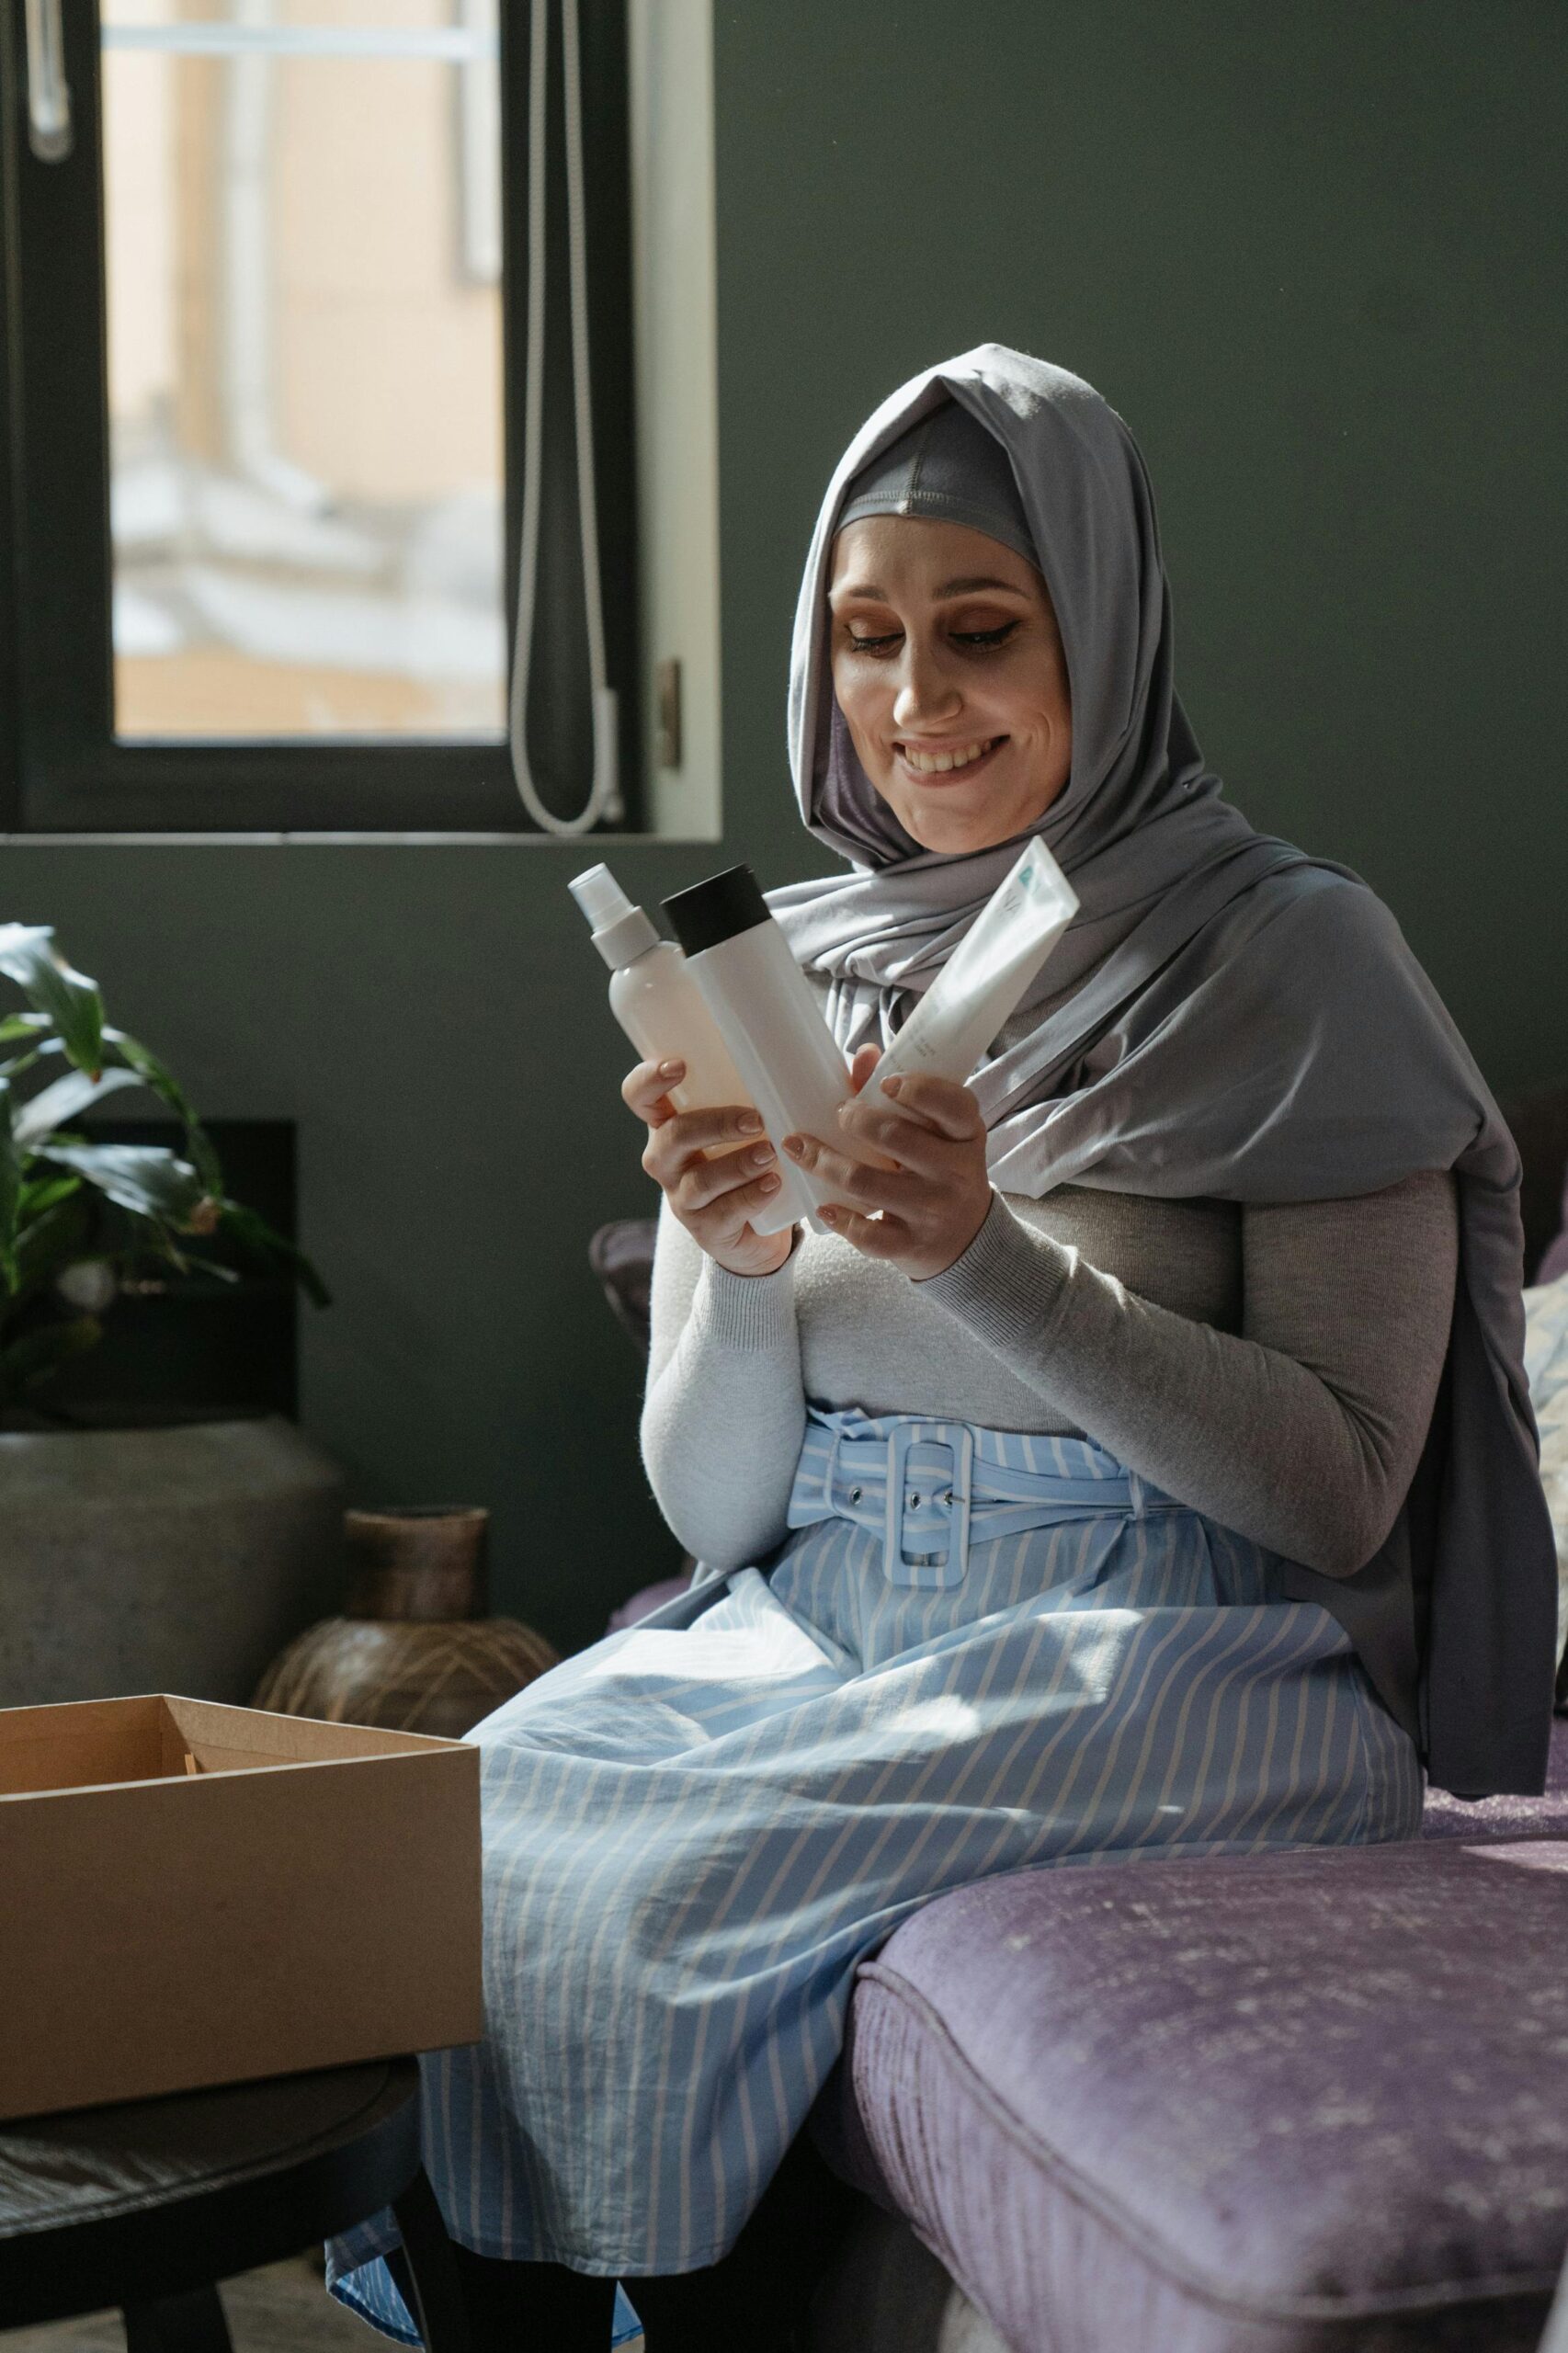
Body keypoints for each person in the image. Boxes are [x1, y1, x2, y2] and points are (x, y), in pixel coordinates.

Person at [326, 346, 1554, 2353]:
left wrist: (987, 1257)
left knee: (649, 1902)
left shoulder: (1293, 953)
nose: (912, 703)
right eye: (864, 640)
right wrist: (729, 1259)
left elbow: (1338, 1483)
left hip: (1162, 1631)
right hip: (825, 1610)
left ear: (1110, 626)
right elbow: (719, 1509)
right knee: (442, 1837)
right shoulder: (794, 961)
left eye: (980, 631)